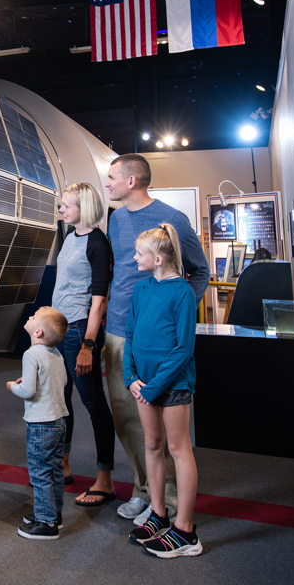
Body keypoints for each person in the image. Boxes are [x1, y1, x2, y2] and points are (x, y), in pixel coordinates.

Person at [102, 154, 209, 526]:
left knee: (169, 429)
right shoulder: (115, 219)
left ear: (132, 181)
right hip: (119, 331)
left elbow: (201, 271)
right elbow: (120, 271)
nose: (107, 182)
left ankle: (175, 504)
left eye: (112, 176)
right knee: (128, 419)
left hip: (160, 342)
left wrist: (175, 309)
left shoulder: (173, 220)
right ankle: (145, 490)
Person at [124, 224, 202, 558]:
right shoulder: (141, 291)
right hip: (143, 384)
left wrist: (155, 386)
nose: (133, 258)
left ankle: (185, 530)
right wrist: (130, 377)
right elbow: (129, 335)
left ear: (157, 258)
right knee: (152, 445)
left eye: (139, 253)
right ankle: (158, 513)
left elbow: (184, 348)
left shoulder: (182, 293)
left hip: (171, 386)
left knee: (178, 448)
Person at [51, 183, 119, 508]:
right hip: (59, 330)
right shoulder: (69, 237)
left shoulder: (98, 243)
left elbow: (99, 299)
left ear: (84, 208)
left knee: (93, 403)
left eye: (66, 206)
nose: (61, 210)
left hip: (80, 331)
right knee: (61, 401)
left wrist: (88, 345)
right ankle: (63, 465)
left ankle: (105, 479)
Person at [7, 306, 70, 540]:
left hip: (40, 425)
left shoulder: (31, 354)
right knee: (54, 470)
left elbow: (28, 391)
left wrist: (13, 386)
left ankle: (46, 523)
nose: (30, 317)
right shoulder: (56, 353)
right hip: (58, 422)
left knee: (39, 472)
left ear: (39, 332)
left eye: (34, 317)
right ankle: (53, 513)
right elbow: (59, 381)